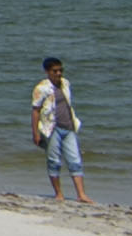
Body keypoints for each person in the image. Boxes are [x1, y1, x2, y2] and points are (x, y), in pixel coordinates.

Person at [31, 57, 92, 206]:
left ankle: (81, 194)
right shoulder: (41, 88)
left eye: (60, 70)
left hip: (68, 127)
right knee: (54, 161)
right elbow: (36, 111)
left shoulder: (65, 83)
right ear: (47, 72)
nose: (58, 73)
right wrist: (35, 133)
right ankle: (58, 194)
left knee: (75, 160)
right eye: (55, 71)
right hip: (51, 129)